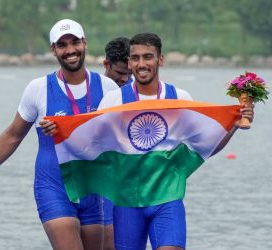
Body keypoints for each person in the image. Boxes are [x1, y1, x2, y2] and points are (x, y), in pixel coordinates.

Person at [0, 19, 118, 249]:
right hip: (54, 187)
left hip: (94, 190)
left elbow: (120, 139)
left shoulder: (108, 88)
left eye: (75, 42)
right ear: (54, 50)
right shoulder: (39, 89)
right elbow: (12, 136)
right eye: (62, 45)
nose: (70, 50)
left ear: (85, 43)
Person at [98, 33, 254, 250]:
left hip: (167, 201)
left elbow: (205, 147)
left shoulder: (180, 99)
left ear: (160, 59)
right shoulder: (112, 102)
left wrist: (234, 124)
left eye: (148, 57)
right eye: (135, 58)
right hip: (126, 205)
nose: (141, 64)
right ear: (129, 62)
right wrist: (60, 131)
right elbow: (91, 148)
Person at [101, 36, 133, 250]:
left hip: (124, 186)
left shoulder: (134, 93)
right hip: (96, 183)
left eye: (129, 74)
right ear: (106, 64)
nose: (125, 79)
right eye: (120, 73)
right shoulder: (95, 89)